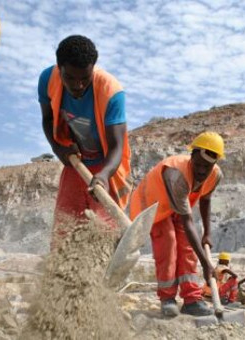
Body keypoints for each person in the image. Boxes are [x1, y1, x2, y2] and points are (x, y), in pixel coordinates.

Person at [39, 35, 131, 244]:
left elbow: (117, 145)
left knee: (104, 230)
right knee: (66, 229)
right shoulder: (47, 80)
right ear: (59, 68)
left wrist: (104, 175)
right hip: (75, 161)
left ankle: (103, 271)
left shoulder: (111, 91)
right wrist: (57, 148)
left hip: (106, 165)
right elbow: (47, 118)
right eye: (70, 78)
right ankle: (62, 273)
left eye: (84, 79)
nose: (78, 85)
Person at [129, 132, 225, 317]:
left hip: (176, 206)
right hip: (153, 206)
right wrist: (206, 264)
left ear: (215, 163)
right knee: (169, 244)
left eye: (207, 166)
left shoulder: (215, 175)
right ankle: (167, 298)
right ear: (191, 156)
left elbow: (205, 199)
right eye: (198, 164)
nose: (202, 171)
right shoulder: (176, 174)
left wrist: (207, 233)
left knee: (188, 247)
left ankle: (191, 299)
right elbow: (188, 221)